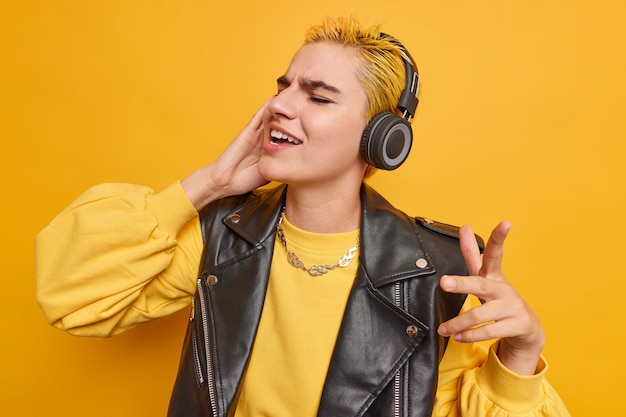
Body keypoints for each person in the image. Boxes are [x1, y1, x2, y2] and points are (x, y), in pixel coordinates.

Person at [35, 15, 570, 417]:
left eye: (317, 96)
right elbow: (68, 291)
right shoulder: (221, 237)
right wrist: (210, 184)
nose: (280, 106)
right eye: (282, 86)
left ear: (382, 139)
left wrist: (519, 358)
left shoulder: (444, 272)